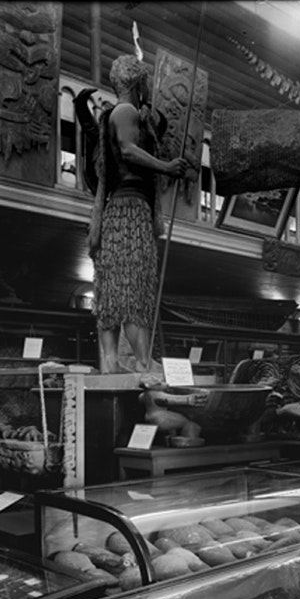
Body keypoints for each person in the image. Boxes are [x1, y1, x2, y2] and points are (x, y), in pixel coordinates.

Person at [88, 54, 189, 373]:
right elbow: (128, 149)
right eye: (145, 81)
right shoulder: (125, 110)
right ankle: (144, 367)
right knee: (133, 294)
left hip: (118, 213)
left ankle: (112, 370)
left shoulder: (116, 113)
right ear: (137, 82)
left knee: (114, 297)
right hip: (130, 214)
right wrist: (166, 167)